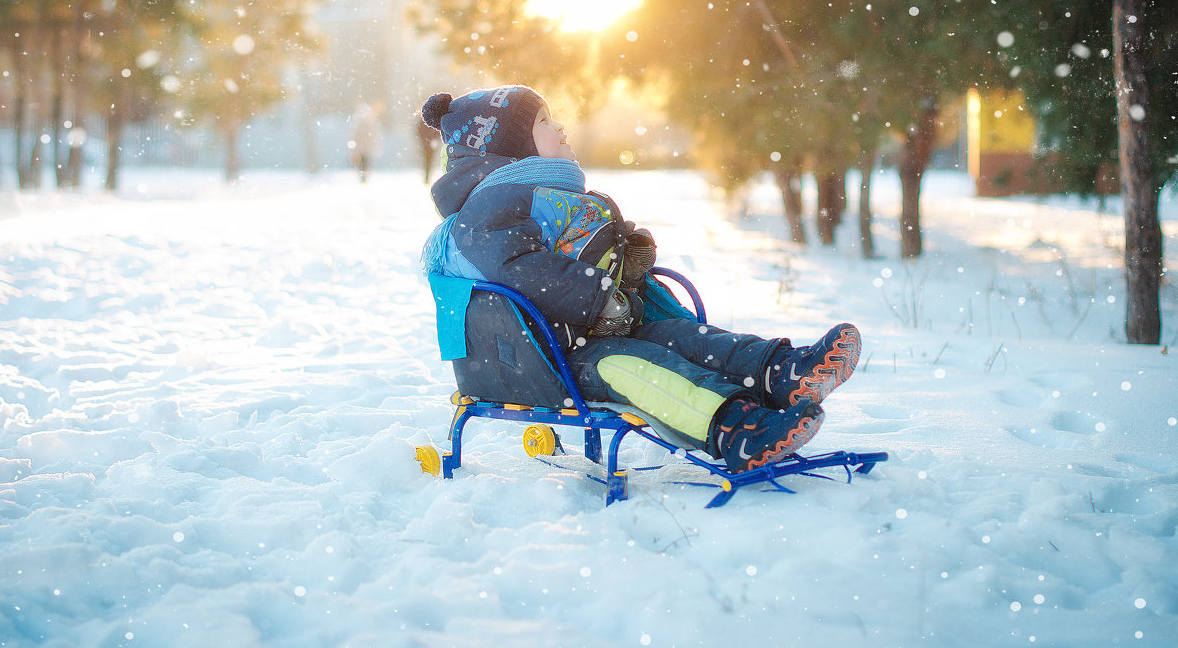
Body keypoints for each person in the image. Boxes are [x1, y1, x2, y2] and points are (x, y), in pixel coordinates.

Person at [420, 85, 861, 474]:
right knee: (643, 369)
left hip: (592, 330)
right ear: (512, 148)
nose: (560, 127)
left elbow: (577, 250)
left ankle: (782, 373)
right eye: (543, 122)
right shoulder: (485, 214)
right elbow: (520, 269)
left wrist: (628, 256)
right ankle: (736, 429)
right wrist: (598, 295)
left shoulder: (551, 198)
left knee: (687, 339)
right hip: (545, 361)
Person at [348, 100, 382, 182]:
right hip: (365, 148)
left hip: (361, 148)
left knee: (362, 163)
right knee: (365, 163)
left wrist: (353, 148)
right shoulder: (369, 122)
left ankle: (363, 176)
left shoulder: (358, 122)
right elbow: (374, 136)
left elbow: (354, 136)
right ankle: (364, 175)